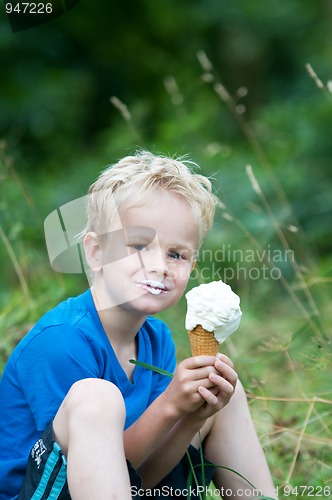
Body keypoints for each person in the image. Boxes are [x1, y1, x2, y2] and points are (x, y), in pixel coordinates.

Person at [0, 151, 277, 500]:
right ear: (97, 252)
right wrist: (172, 405)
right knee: (98, 398)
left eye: (176, 254)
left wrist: (190, 415)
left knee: (222, 392)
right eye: (139, 246)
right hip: (45, 492)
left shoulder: (156, 339)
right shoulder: (61, 342)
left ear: (191, 267)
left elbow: (138, 478)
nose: (160, 265)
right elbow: (84, 473)